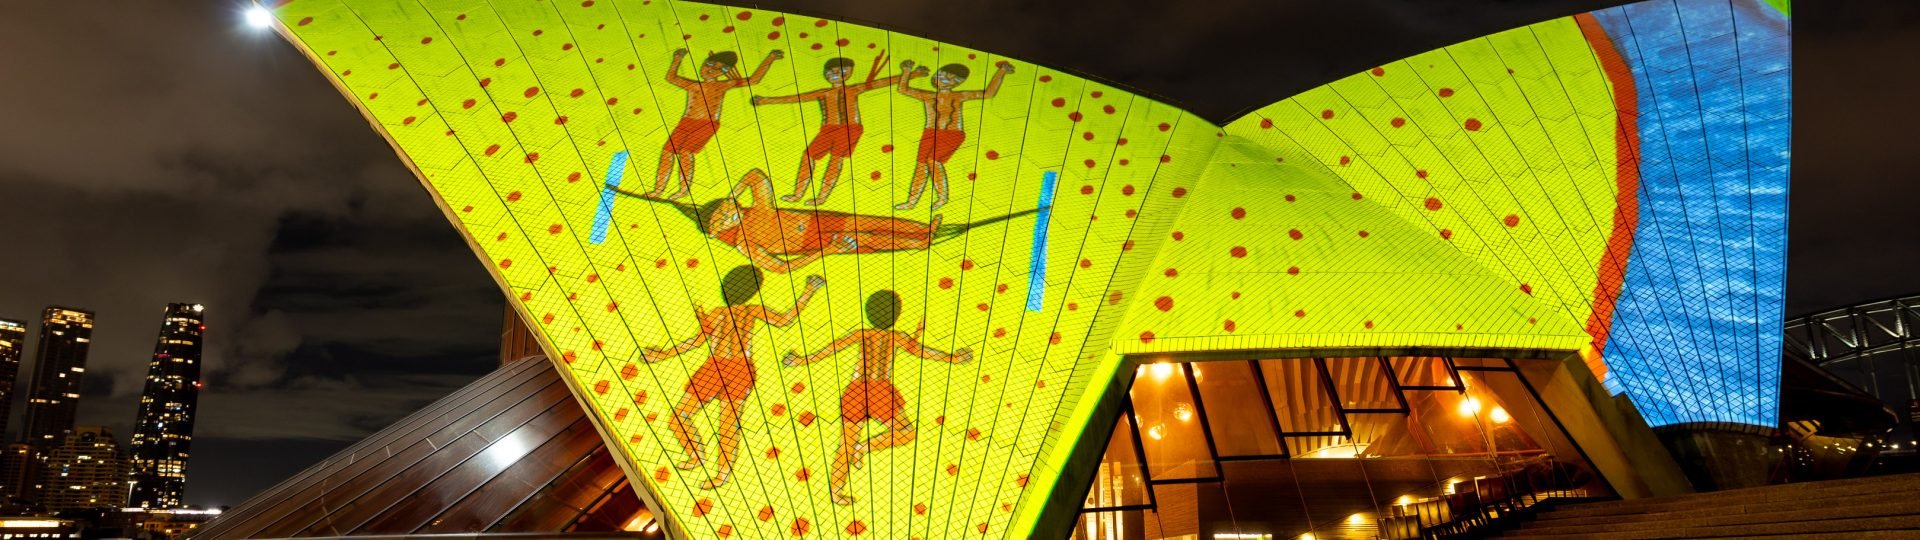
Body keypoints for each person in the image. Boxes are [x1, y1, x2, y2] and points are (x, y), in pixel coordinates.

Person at [612, 169, 1045, 274]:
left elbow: (757, 177)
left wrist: (734, 193)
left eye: (724, 208)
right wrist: (822, 251)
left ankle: (921, 232)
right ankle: (920, 241)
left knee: (870, 220)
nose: (729, 212)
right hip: (816, 241)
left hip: (821, 219)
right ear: (717, 228)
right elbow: (778, 266)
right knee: (870, 240)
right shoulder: (741, 240)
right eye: (722, 215)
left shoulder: (751, 208)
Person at [782, 290, 972, 505]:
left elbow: (831, 349)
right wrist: (953, 358)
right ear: (896, 316)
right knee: (906, 432)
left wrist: (800, 360)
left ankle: (836, 491)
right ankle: (864, 447)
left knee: (846, 443)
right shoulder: (897, 337)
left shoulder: (862, 334)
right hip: (880, 392)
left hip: (856, 390)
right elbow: (922, 351)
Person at [642, 265, 823, 489]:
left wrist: (808, 291)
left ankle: (721, 473)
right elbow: (698, 340)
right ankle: (698, 455)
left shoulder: (748, 311)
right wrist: (662, 355)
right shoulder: (721, 313)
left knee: (726, 425)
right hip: (715, 367)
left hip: (738, 368)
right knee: (681, 416)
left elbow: (784, 320)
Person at [750, 55, 904, 206]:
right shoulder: (823, 93)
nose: (836, 75)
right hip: (828, 129)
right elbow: (796, 98)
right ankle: (797, 194)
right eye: (831, 72)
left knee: (835, 159)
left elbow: (881, 83)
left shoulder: (854, 89)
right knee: (807, 156)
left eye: (842, 71)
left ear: (849, 72)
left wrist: (909, 73)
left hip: (850, 129)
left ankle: (822, 197)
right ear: (825, 74)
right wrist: (765, 100)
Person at [644, 48, 784, 201]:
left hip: (707, 124)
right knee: (667, 152)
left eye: (719, 69)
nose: (711, 70)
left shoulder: (722, 85)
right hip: (686, 122)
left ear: (725, 72)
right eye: (709, 64)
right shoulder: (693, 85)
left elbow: (754, 80)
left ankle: (683, 190)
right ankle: (658, 190)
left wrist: (770, 58)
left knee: (686, 152)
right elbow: (671, 78)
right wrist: (677, 58)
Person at [894, 59, 1013, 211]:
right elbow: (903, 89)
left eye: (950, 79)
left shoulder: (958, 96)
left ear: (958, 82)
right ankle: (911, 202)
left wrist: (1001, 72)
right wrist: (906, 70)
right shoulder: (926, 95)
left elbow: (987, 93)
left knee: (933, 161)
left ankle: (942, 197)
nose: (943, 80)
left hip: (952, 133)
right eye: (940, 76)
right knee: (921, 166)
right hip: (929, 133)